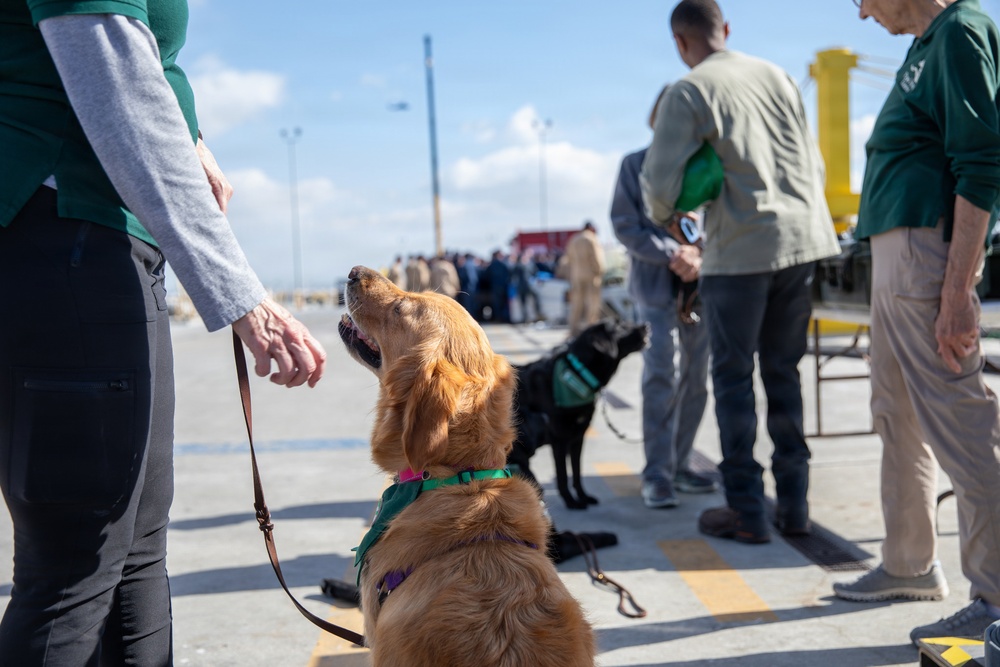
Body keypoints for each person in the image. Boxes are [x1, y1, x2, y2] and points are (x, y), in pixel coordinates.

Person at [0, 3, 327, 663]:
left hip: (109, 245)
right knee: (74, 563)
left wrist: (193, 139)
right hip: (63, 236)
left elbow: (140, 69)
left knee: (135, 551)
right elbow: (113, 76)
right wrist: (239, 291)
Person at [831, 0, 1000, 644]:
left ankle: (996, 596)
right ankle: (909, 563)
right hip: (893, 250)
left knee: (960, 418)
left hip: (925, 251)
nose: (862, 15)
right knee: (895, 411)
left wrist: (957, 287)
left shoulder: (960, 30)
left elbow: (982, 162)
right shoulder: (927, 43)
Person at [641, 0, 839, 544]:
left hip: (740, 253)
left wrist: (669, 215)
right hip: (803, 243)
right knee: (784, 374)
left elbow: (659, 187)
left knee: (732, 382)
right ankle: (794, 509)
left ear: (681, 43)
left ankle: (747, 513)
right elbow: (813, 161)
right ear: (725, 30)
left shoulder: (691, 89)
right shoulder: (776, 75)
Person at [611, 85, 715, 509]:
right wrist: (674, 253)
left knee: (696, 379)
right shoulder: (634, 166)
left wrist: (699, 253)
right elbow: (624, 224)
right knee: (660, 376)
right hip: (655, 289)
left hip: (701, 289)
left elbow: (721, 219)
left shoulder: (708, 166)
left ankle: (681, 464)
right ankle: (657, 474)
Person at [564, 221, 606, 336]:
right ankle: (590, 330)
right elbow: (597, 258)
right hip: (591, 276)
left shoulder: (574, 240)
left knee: (577, 304)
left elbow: (568, 259)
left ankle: (573, 330)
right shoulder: (591, 239)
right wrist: (600, 271)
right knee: (592, 304)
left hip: (576, 276)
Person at [511, 252, 545, 324]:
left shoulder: (531, 265)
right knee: (523, 303)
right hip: (521, 287)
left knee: (535, 298)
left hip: (530, 286)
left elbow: (536, 273)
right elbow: (513, 275)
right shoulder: (518, 266)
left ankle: (537, 315)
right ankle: (525, 318)